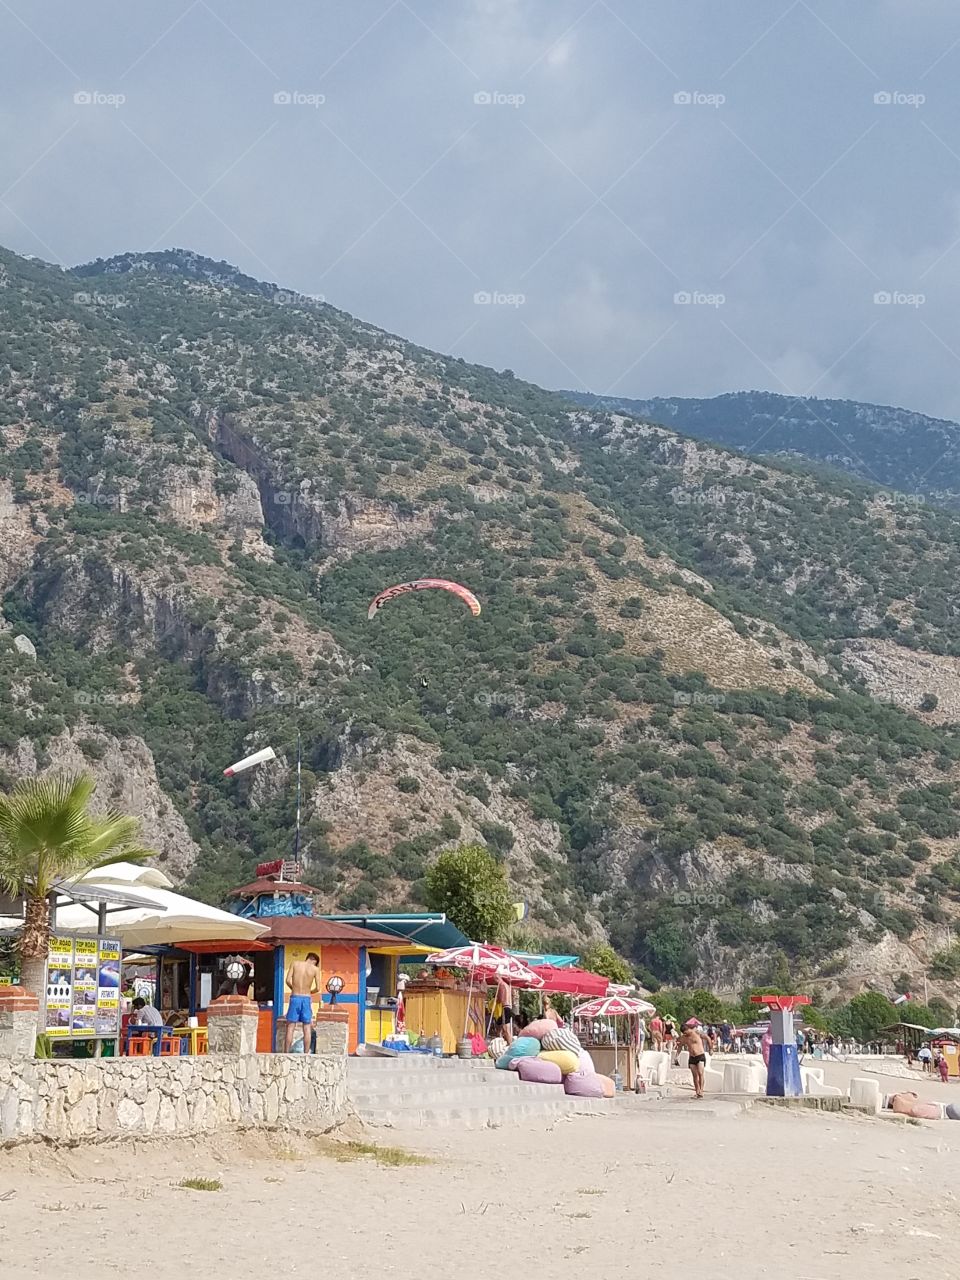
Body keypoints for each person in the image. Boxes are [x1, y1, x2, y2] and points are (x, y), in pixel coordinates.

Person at [284, 952, 320, 1052]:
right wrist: (309, 991)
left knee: (290, 1026)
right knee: (307, 1027)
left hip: (295, 996)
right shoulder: (315, 969)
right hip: (306, 998)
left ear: (307, 958)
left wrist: (294, 988)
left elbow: (287, 980)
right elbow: (318, 988)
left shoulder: (294, 964)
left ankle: (286, 1053)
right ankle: (306, 1053)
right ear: (314, 961)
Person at [680, 1018, 707, 1098]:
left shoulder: (697, 1033)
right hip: (692, 1057)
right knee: (695, 1075)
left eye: (686, 1032)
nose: (685, 1034)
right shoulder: (685, 1037)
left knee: (700, 1073)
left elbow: (707, 1038)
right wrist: (677, 1055)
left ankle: (701, 1091)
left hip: (700, 1055)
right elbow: (680, 1046)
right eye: (684, 1033)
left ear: (688, 1029)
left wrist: (711, 1049)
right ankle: (697, 1091)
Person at [495, 976, 515, 1045]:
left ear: (497, 978)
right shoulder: (507, 985)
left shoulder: (501, 985)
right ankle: (503, 1041)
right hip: (509, 1007)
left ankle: (510, 1045)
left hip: (505, 1007)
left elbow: (500, 999)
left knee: (506, 1028)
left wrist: (497, 999)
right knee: (500, 1025)